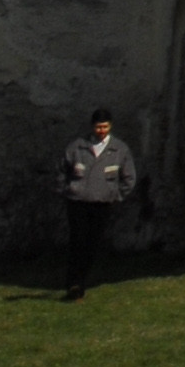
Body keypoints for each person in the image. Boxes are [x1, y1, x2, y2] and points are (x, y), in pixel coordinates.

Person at [58, 109, 139, 299]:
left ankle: (82, 279)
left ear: (110, 127)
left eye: (105, 127)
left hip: (102, 204)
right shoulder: (77, 147)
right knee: (77, 241)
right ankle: (74, 284)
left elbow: (129, 178)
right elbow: (61, 171)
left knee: (92, 244)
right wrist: (67, 190)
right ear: (92, 127)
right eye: (98, 127)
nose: (101, 130)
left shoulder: (119, 150)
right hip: (78, 202)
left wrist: (115, 195)